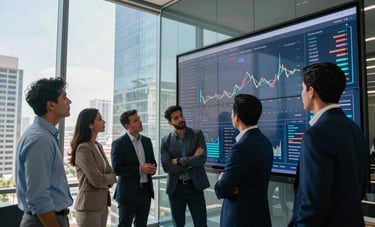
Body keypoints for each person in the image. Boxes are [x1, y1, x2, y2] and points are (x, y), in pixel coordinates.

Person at [288, 62, 369, 226]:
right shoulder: (354, 129)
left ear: (311, 92)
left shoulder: (316, 134)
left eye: (303, 88)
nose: (301, 94)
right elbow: (361, 187)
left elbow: (312, 203)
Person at [15, 77, 73, 227]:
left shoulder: (43, 135)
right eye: (64, 97)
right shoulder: (40, 139)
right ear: (51, 105)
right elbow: (38, 198)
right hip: (44, 221)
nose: (69, 102)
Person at [214, 94, 273, 227]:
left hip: (240, 219)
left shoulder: (240, 148)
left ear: (236, 117)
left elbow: (223, 189)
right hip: (259, 217)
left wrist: (220, 180)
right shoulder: (265, 141)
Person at [160, 105, 210, 227]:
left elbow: (201, 159)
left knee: (201, 224)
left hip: (195, 186)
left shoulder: (197, 134)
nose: (180, 119)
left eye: (181, 116)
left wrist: (178, 160)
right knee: (178, 224)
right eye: (176, 118)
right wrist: (190, 163)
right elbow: (166, 166)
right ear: (170, 122)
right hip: (176, 189)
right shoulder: (165, 140)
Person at [69, 108, 117, 227]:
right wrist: (107, 177)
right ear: (90, 125)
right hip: (88, 207)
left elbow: (112, 173)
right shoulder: (83, 148)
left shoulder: (98, 146)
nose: (104, 122)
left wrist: (106, 176)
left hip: (102, 205)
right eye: (100, 119)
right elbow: (96, 180)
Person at [111, 109, 157, 227]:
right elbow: (117, 169)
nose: (140, 122)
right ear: (127, 125)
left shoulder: (147, 141)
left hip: (146, 191)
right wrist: (140, 169)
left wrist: (152, 168)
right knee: (124, 224)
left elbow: (152, 162)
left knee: (141, 224)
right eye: (135, 120)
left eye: (139, 119)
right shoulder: (119, 143)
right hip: (128, 193)